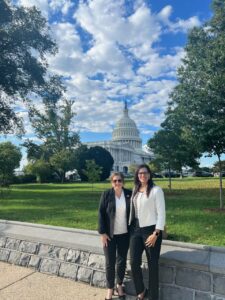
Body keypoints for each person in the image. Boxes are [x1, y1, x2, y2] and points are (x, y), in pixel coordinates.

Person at [129, 164, 165, 300]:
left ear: (149, 174)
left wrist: (156, 233)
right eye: (140, 173)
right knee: (133, 262)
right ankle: (141, 290)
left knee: (152, 265)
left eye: (145, 173)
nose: (142, 175)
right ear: (137, 176)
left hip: (151, 230)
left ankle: (154, 296)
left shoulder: (156, 190)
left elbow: (161, 214)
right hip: (135, 230)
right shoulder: (136, 190)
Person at [98, 172, 132, 300]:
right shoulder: (106, 194)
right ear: (111, 182)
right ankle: (110, 288)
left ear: (123, 182)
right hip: (109, 235)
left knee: (121, 261)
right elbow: (101, 213)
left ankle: (119, 285)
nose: (117, 183)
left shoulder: (129, 194)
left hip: (124, 234)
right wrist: (102, 233)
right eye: (114, 181)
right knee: (109, 262)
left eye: (119, 180)